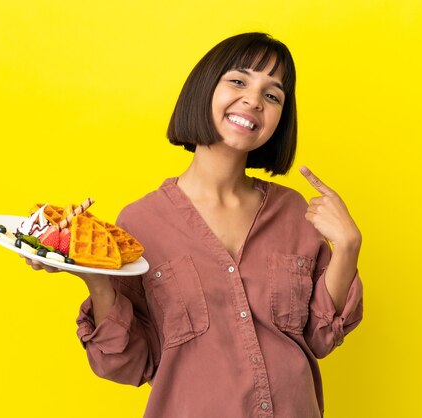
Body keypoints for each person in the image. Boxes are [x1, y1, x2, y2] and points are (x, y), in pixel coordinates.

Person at [25, 32, 363, 418]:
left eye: (273, 95)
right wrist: (95, 278)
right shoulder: (140, 224)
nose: (254, 100)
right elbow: (128, 362)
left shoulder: (293, 212)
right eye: (238, 81)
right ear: (204, 90)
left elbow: (320, 337)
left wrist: (349, 246)